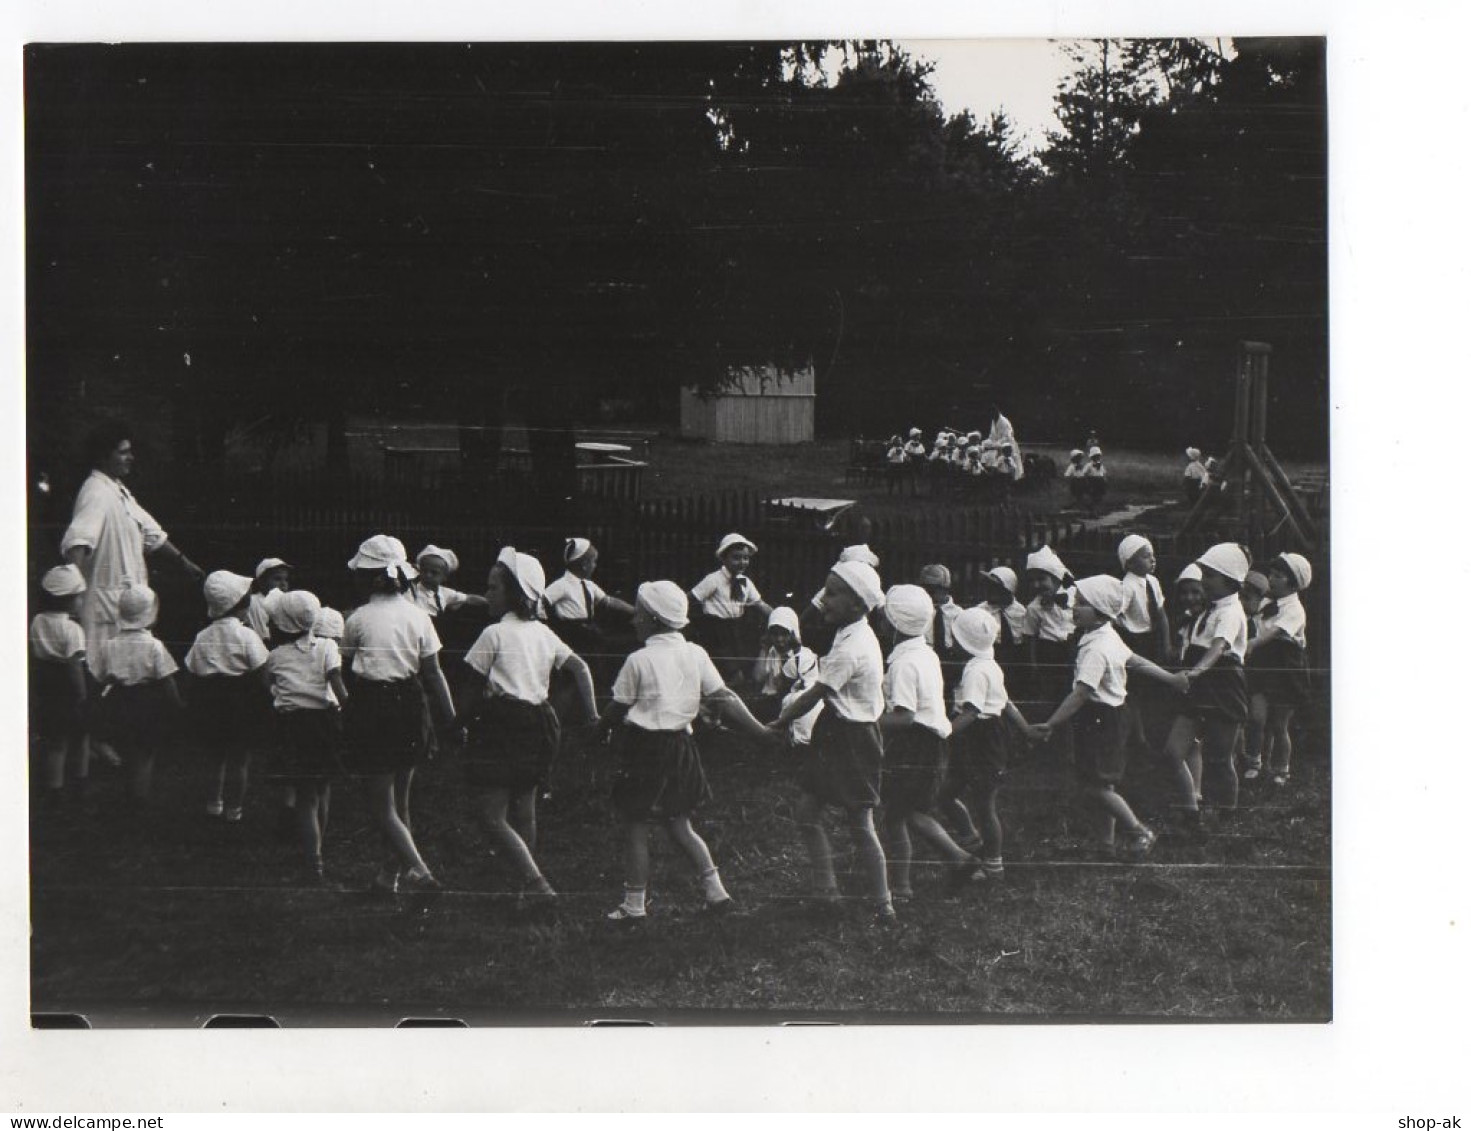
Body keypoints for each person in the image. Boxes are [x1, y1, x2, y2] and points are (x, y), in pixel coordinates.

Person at [596, 581, 770, 921]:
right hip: (682, 749)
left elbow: (617, 708)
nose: (633, 621)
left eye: (639, 614)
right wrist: (760, 731)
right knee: (679, 823)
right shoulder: (696, 653)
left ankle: (634, 906)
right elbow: (725, 697)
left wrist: (599, 730)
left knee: (635, 824)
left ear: (653, 620)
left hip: (645, 750)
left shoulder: (639, 659)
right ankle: (716, 892)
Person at [458, 547, 598, 907]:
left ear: (514, 595)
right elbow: (580, 668)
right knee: (525, 806)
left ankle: (536, 883)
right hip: (540, 723)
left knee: (490, 814)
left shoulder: (493, 634)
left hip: (502, 725)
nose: (487, 594)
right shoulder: (544, 633)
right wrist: (593, 715)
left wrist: (459, 722)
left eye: (493, 588)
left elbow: (471, 687)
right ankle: (523, 891)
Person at [768, 559, 897, 927]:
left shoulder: (851, 647)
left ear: (859, 604)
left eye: (834, 594)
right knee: (808, 812)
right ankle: (826, 893)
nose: (824, 599)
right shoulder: (848, 632)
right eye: (825, 590)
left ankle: (883, 903)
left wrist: (781, 720)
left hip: (854, 740)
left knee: (860, 822)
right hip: (836, 734)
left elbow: (814, 695)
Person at [1034, 575, 1188, 857]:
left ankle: (1139, 831)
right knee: (1103, 783)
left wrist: (1052, 723)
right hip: (1113, 716)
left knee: (1091, 787)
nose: (1074, 608)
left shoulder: (1096, 648)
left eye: (1082, 604)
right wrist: (1171, 678)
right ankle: (1106, 845)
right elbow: (1137, 661)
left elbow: (1081, 693)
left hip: (1100, 719)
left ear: (1101, 611)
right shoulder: (1107, 635)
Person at [340, 535, 455, 895]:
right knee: (399, 802)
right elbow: (434, 672)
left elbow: (344, 667)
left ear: (369, 578)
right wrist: (450, 717)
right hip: (411, 705)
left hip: (375, 708)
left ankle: (420, 874)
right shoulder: (418, 616)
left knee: (381, 805)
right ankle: (386, 877)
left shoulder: (358, 619)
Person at [61, 421, 205, 676]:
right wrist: (72, 598)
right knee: (103, 671)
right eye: (123, 452)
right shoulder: (95, 492)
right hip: (105, 608)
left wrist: (183, 562)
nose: (131, 457)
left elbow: (152, 534)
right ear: (104, 455)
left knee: (131, 673)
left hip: (126, 607)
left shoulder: (119, 491)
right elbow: (78, 543)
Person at [875, 585, 989, 900]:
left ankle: (902, 886)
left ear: (892, 623)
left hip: (915, 744)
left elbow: (904, 717)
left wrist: (867, 722)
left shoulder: (903, 664)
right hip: (932, 743)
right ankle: (959, 860)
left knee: (898, 816)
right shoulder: (925, 653)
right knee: (909, 812)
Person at [941, 607, 1039, 878]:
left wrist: (943, 732)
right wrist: (1027, 729)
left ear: (963, 643)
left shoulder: (976, 671)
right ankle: (972, 841)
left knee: (985, 804)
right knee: (946, 792)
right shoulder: (989, 664)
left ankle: (993, 863)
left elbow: (971, 712)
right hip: (977, 739)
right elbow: (1006, 702)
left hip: (981, 740)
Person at [1163, 544, 1253, 835]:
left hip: (1222, 685)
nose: (1203, 581)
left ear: (1228, 579)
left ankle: (1228, 818)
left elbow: (1218, 647)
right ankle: (1191, 812)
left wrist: (1196, 671)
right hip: (1197, 683)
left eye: (1209, 576)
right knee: (1173, 752)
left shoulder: (1231, 612)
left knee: (1219, 758)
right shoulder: (1208, 609)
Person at [264, 590, 348, 885]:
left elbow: (268, 686)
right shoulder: (327, 647)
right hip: (325, 724)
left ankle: (313, 859)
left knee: (305, 796)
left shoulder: (274, 656)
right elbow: (337, 685)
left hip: (293, 727)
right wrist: (349, 714)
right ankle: (318, 848)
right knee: (322, 789)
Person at [184, 571, 270, 822]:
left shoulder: (203, 636)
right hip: (241, 701)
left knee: (216, 758)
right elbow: (263, 670)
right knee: (240, 760)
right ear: (241, 604)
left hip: (210, 701)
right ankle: (235, 809)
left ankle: (214, 803)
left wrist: (192, 700)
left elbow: (191, 670)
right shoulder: (246, 635)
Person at [92, 583, 184, 805]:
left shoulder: (110, 645)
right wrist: (177, 705)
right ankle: (138, 797)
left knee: (126, 746)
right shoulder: (154, 645)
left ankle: (124, 782)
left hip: (119, 700)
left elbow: (100, 677)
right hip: (146, 703)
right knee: (144, 753)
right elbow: (166, 679)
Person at [1244, 553, 1312, 787]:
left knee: (1279, 724)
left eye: (1278, 576)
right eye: (1271, 574)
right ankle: (1254, 762)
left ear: (1293, 582)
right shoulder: (1266, 603)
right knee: (1256, 718)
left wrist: (1251, 644)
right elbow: (1251, 612)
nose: (1271, 579)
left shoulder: (1295, 609)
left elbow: (1273, 633)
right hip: (1263, 665)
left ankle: (1281, 769)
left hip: (1285, 667)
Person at [29, 565, 90, 807]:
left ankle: (54, 789)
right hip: (68, 689)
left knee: (55, 740)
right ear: (70, 600)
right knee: (81, 736)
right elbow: (74, 665)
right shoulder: (72, 629)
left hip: (46, 686)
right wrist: (83, 695)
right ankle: (80, 783)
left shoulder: (37, 621)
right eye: (79, 596)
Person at [689, 533, 772, 685]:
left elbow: (760, 604)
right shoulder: (713, 579)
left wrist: (779, 616)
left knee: (744, 668)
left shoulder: (745, 582)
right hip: (716, 632)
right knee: (731, 673)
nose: (742, 562)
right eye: (736, 557)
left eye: (745, 558)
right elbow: (691, 598)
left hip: (737, 630)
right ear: (724, 558)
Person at [409, 545, 488, 620]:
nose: (428, 575)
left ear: (444, 577)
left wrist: (489, 601)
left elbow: (469, 598)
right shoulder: (410, 589)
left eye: (434, 573)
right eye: (424, 570)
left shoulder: (444, 593)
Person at [245, 558, 292, 642]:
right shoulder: (250, 602)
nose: (283, 584)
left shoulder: (289, 604)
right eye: (277, 579)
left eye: (286, 579)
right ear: (261, 582)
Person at [986, 405, 1024, 481]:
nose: (990, 416)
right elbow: (992, 435)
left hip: (1007, 445)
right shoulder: (994, 421)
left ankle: (1011, 478)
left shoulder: (1004, 422)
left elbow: (1007, 437)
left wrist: (995, 445)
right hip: (997, 444)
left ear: (996, 412)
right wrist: (989, 442)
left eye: (991, 413)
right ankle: (992, 474)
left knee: (1008, 462)